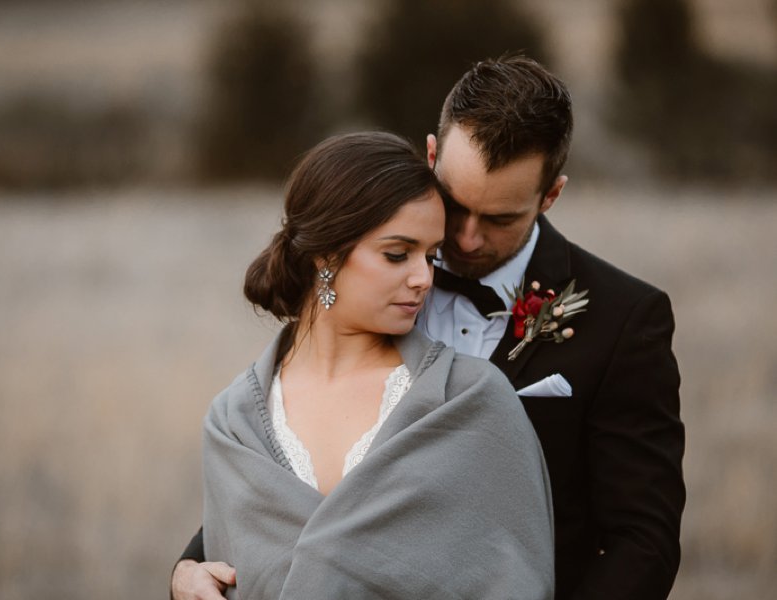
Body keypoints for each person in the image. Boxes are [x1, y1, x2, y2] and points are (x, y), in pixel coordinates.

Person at [174, 56, 685, 600]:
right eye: (456, 204)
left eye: (499, 218)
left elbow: (643, 540)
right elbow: (299, 485)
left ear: (550, 195)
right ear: (432, 155)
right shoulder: (376, 287)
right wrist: (191, 565)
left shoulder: (625, 317)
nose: (464, 240)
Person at [188, 131, 554, 599]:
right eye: (397, 254)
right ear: (326, 253)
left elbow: (515, 581)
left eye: (430, 256)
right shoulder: (232, 423)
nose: (424, 279)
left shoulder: (470, 398)